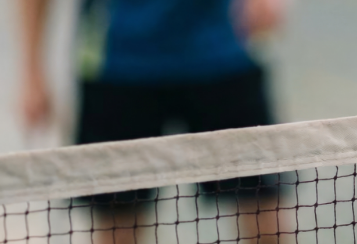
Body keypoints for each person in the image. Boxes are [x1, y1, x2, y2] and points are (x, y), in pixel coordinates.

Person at [19, 0, 284, 243]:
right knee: (117, 229)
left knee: (270, 223)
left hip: (225, 54)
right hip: (117, 66)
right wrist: (32, 72)